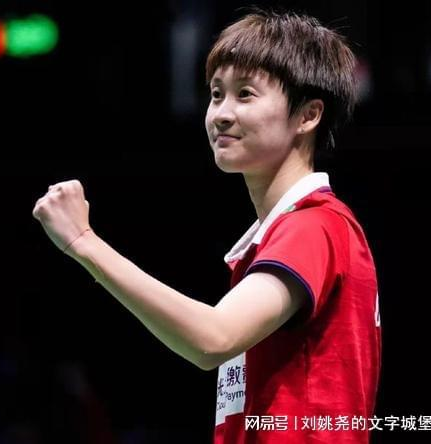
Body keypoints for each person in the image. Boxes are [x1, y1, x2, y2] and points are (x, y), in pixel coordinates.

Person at [32, 8, 381, 443]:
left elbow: (213, 338)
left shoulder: (314, 225)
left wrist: (84, 242)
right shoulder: (284, 236)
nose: (221, 114)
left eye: (246, 94)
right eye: (217, 94)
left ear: (308, 115)